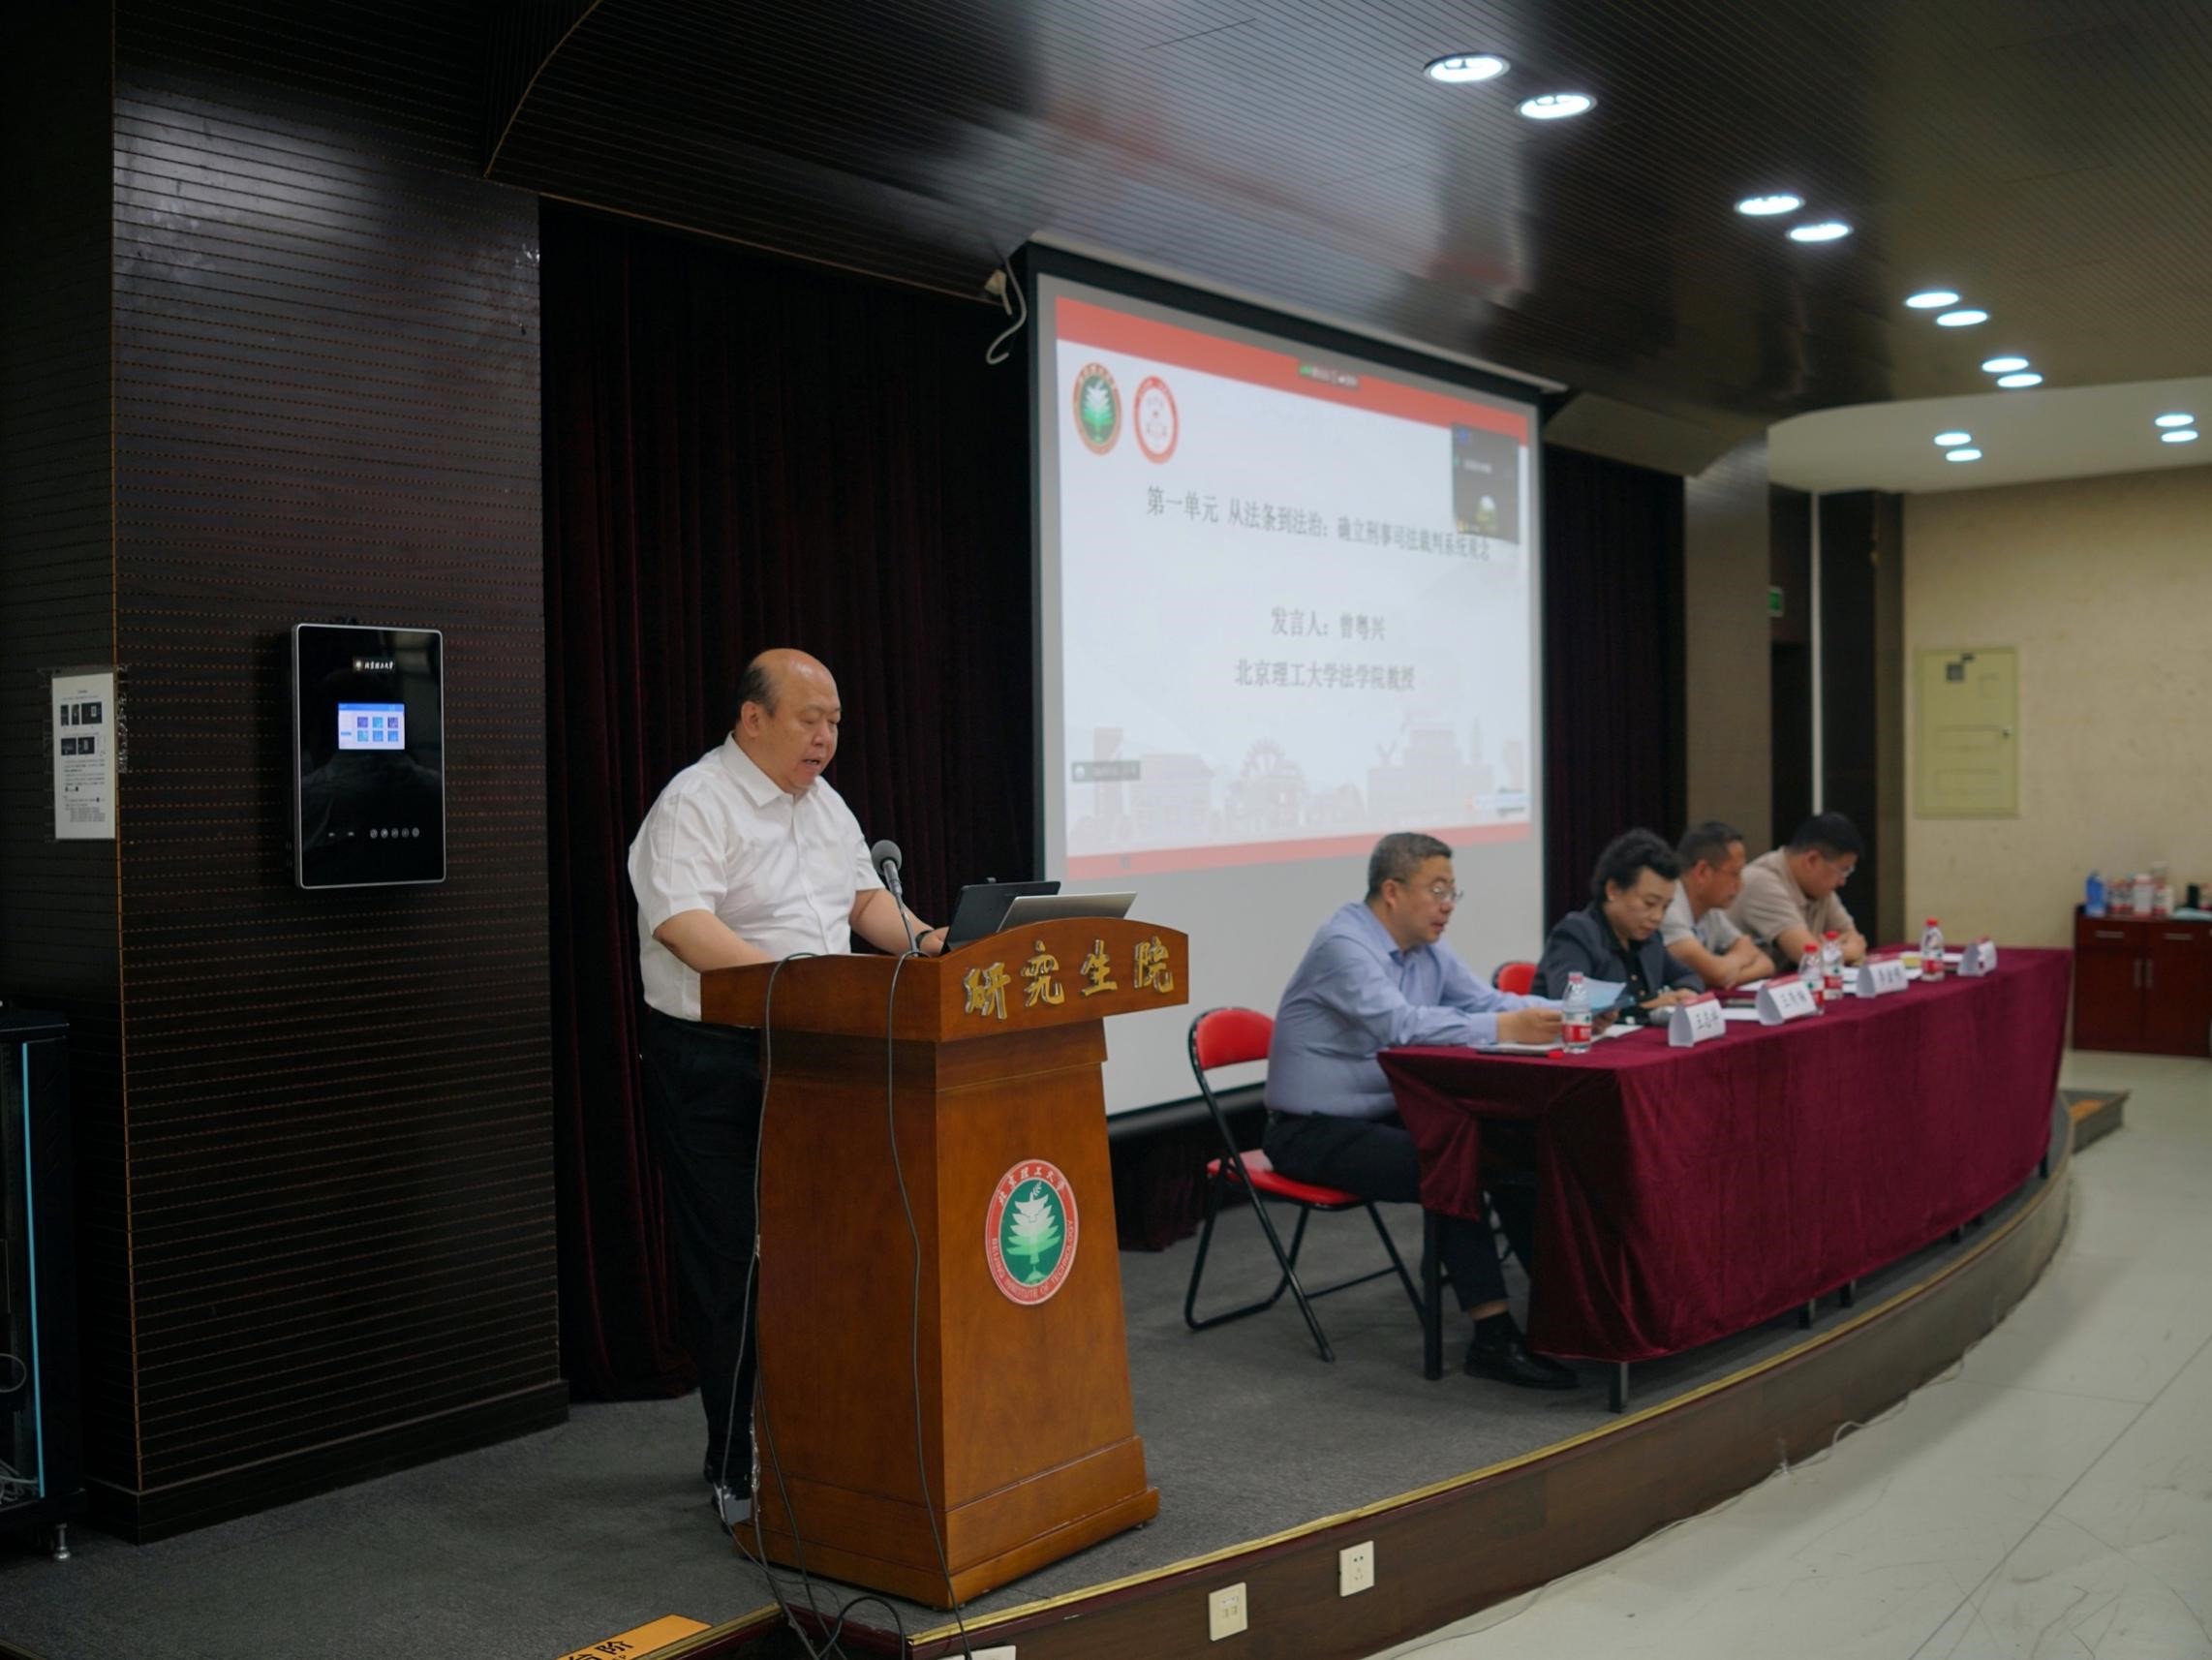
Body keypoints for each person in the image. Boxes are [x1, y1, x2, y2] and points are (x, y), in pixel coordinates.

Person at [627, 648, 944, 1522]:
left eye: (835, 722)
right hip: (716, 1059)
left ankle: (817, 1443)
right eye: (810, 719)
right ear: (753, 718)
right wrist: (791, 989)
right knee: (734, 1263)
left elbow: (863, 902)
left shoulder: (825, 804)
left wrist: (933, 944)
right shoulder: (696, 801)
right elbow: (683, 923)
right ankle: (735, 1463)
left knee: (826, 1254)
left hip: (817, 1055)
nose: (825, 737)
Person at [1264, 832, 1576, 1390]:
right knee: (1448, 1162)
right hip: (1309, 1131)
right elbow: (1400, 1026)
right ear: (1392, 891)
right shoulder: (1343, 945)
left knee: (1509, 1145)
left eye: (1453, 892)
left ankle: (1562, 1309)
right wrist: (1503, 1027)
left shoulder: (1427, 945)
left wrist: (1573, 1012)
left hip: (1384, 1115)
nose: (1448, 905)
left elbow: (1487, 1002)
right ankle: (1492, 1338)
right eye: (1437, 890)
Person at [1536, 829, 1704, 1008]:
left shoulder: (1651, 941)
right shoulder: (1577, 934)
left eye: (1665, 907)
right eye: (1650, 903)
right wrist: (1646, 1006)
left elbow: (1689, 976)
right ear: (1613, 890)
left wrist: (1686, 992)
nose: (1658, 917)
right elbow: (1571, 999)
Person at [1728, 813, 1869, 967]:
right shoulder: (1762, 881)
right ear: (1812, 860)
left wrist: (1834, 951)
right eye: (1843, 870)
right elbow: (1812, 959)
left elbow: (1853, 938)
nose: (1843, 881)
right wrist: (1848, 951)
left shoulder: (1820, 888)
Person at [1661, 820, 1776, 990]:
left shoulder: (1710, 910)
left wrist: (1725, 975)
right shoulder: (1668, 906)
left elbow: (1766, 964)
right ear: (1702, 872)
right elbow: (1718, 973)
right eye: (1735, 874)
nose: (1740, 885)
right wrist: (1737, 960)